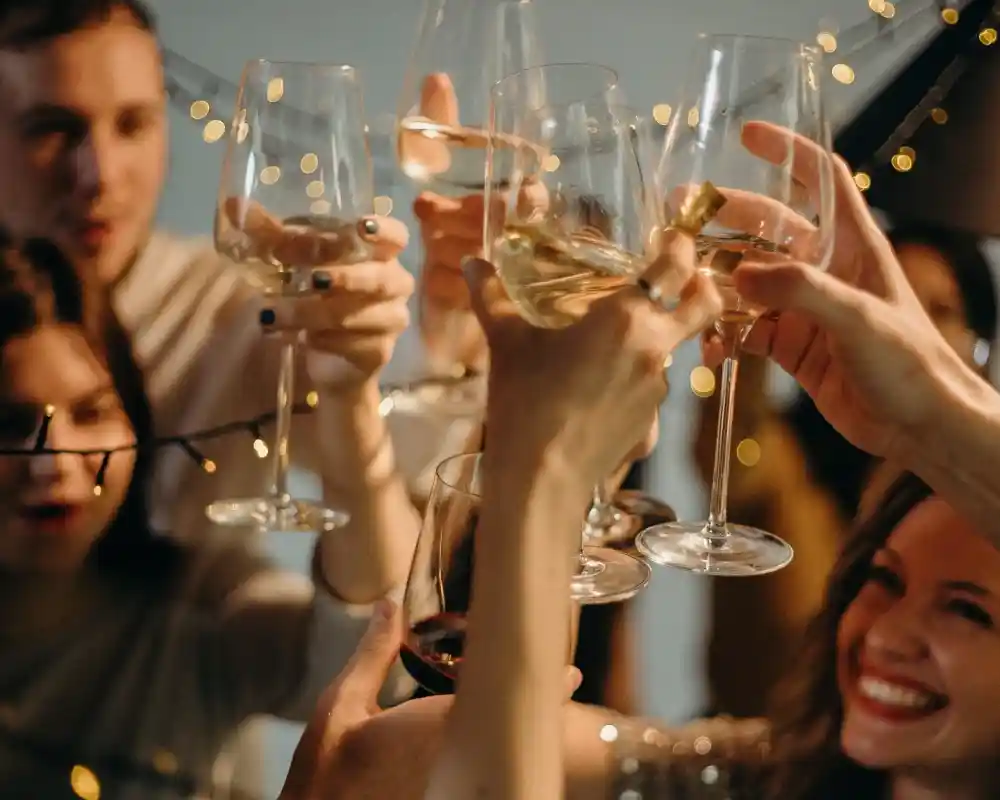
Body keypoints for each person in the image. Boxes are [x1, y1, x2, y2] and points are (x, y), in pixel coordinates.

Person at [277, 121, 1000, 800]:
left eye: (970, 611)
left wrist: (546, 468)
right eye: (882, 579)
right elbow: (479, 742)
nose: (887, 634)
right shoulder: (767, 773)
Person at [0, 231, 422, 798]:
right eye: (10, 424)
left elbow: (369, 666)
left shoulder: (197, 604)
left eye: (91, 413)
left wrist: (350, 403)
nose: (53, 462)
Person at [698, 222, 999, 717]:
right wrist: (748, 310)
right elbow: (732, 454)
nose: (907, 332)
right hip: (754, 742)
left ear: (979, 349)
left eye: (940, 312)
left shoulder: (979, 511)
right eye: (886, 307)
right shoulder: (787, 456)